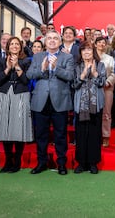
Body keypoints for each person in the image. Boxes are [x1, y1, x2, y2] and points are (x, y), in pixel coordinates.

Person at [27, 30, 75, 175]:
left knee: (60, 135)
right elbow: (29, 75)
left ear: (60, 42)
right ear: (45, 42)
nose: (52, 41)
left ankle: (61, 164)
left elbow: (70, 76)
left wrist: (56, 68)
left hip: (59, 100)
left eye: (55, 38)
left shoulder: (68, 57)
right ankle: (41, 163)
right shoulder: (37, 57)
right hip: (40, 100)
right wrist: (42, 69)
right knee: (41, 134)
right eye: (49, 38)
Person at [0, 37, 33, 173]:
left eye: (17, 44)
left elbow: (26, 80)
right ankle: (8, 160)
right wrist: (8, 68)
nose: (14, 46)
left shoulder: (26, 61)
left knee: (18, 128)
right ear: (8, 47)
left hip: (21, 94)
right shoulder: (2, 61)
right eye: (12, 44)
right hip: (4, 94)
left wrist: (16, 66)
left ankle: (17, 161)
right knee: (5, 127)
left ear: (20, 47)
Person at [73, 41, 106, 174]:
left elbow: (102, 82)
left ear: (94, 52)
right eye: (84, 50)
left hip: (96, 103)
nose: (87, 52)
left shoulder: (100, 65)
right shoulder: (76, 66)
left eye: (89, 50)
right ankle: (81, 163)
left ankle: (93, 163)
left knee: (94, 133)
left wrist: (94, 73)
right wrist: (82, 75)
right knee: (80, 134)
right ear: (80, 53)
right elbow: (74, 85)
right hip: (80, 104)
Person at [95, 37, 115, 147]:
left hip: (106, 88)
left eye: (103, 43)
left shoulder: (110, 58)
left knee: (106, 113)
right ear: (95, 44)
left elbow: (114, 72)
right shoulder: (91, 56)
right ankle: (95, 136)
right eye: (99, 42)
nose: (101, 44)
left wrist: (108, 82)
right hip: (92, 89)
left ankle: (105, 135)